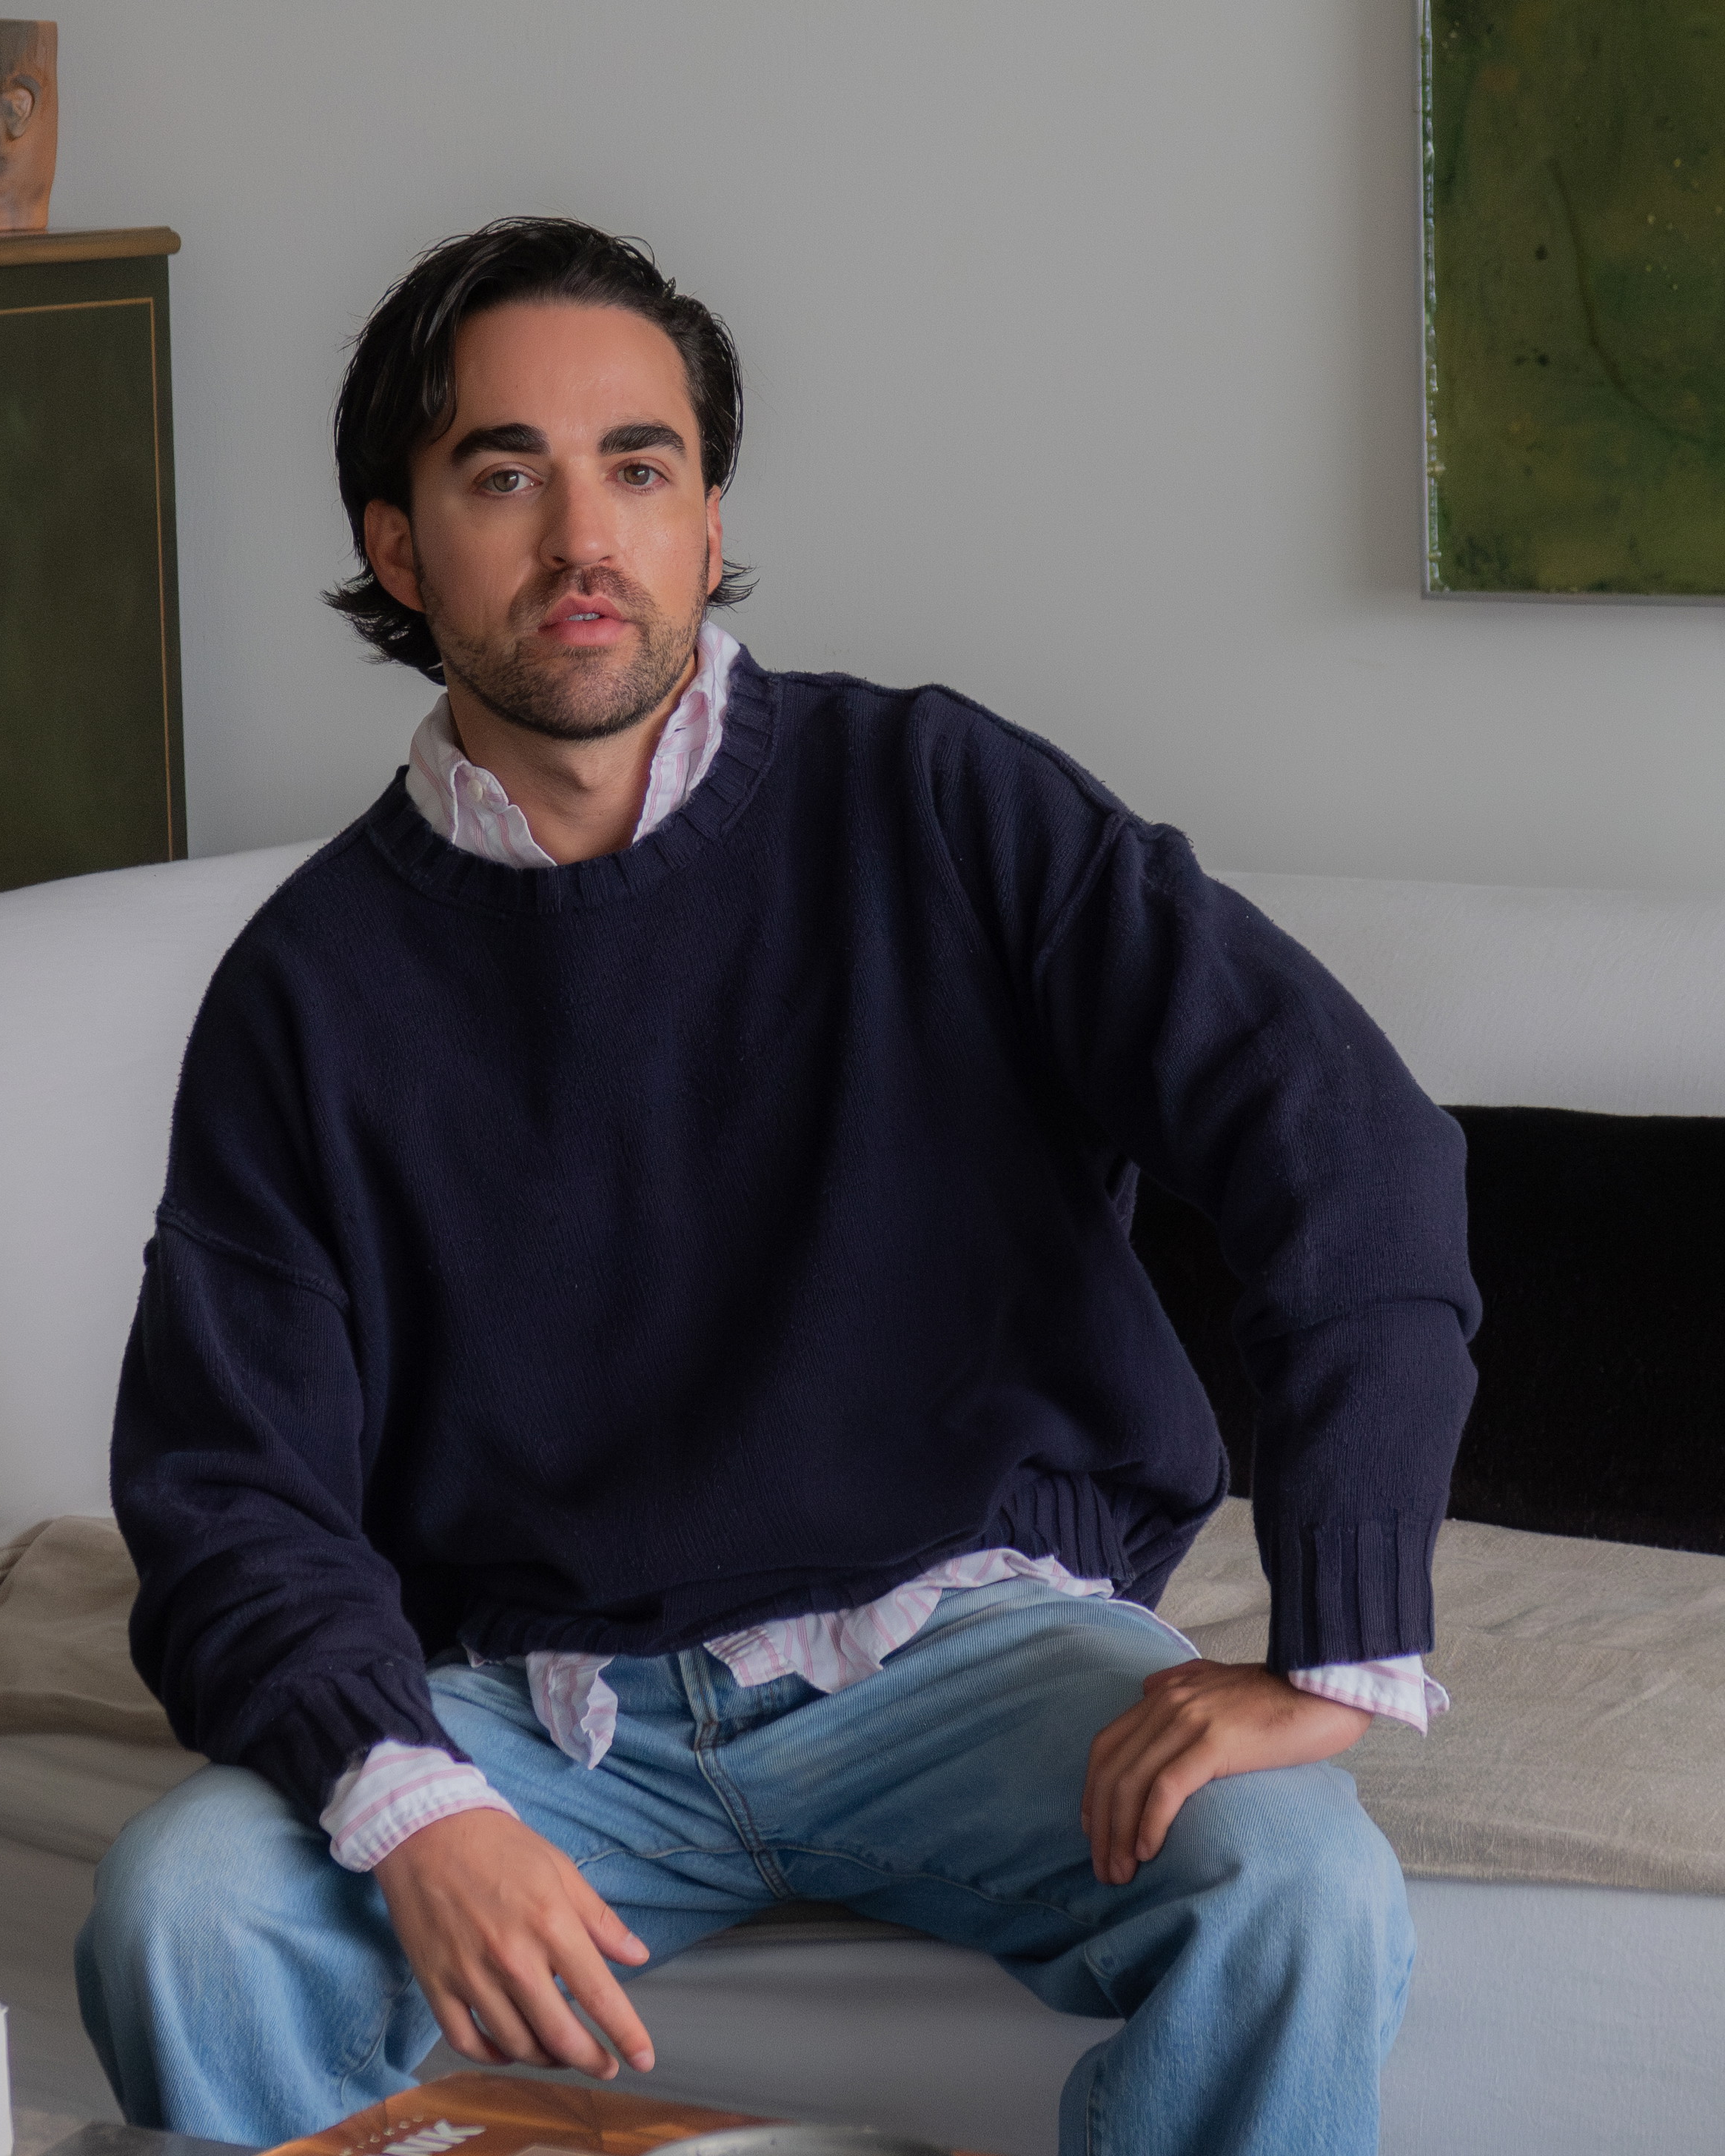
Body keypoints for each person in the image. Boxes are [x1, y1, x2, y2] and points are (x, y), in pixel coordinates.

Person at [77, 217, 1478, 2156]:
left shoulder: (940, 805)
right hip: (540, 1715)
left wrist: (1337, 1647)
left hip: (976, 1662)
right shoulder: (310, 992)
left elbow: (1343, 1134)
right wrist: (410, 1805)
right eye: (505, 473)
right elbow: (229, 1487)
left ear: (706, 512)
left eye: (638, 466)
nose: (586, 537)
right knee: (185, 1912)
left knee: (1302, 1890)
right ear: (399, 548)